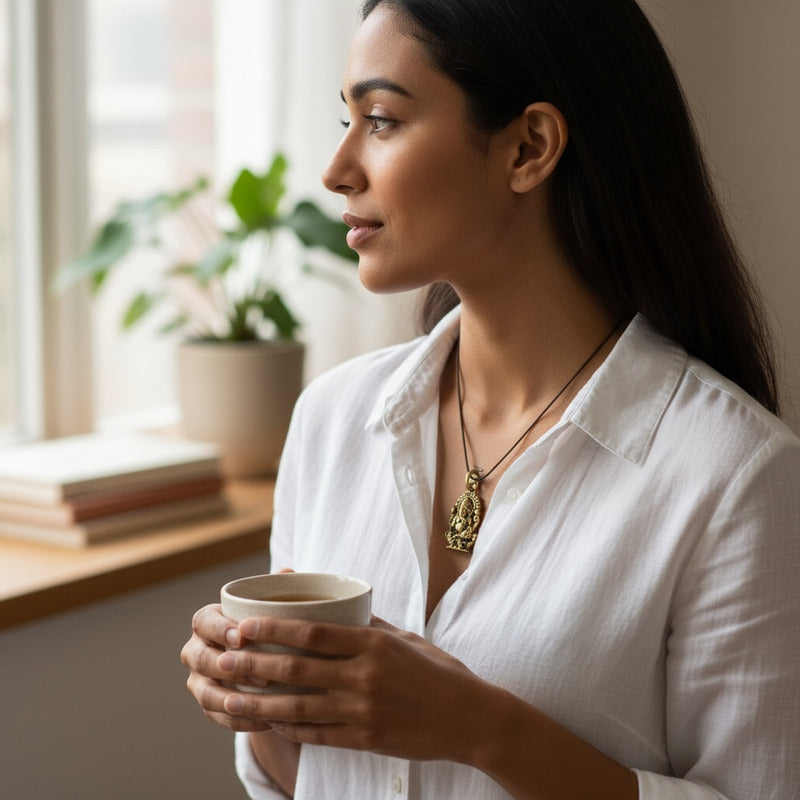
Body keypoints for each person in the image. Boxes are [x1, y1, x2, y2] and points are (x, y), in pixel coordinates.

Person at [181, 1, 800, 797]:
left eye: (380, 120)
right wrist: (258, 699)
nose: (335, 170)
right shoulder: (331, 421)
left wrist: (480, 728)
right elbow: (303, 780)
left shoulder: (736, 477)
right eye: (345, 120)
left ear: (527, 147)